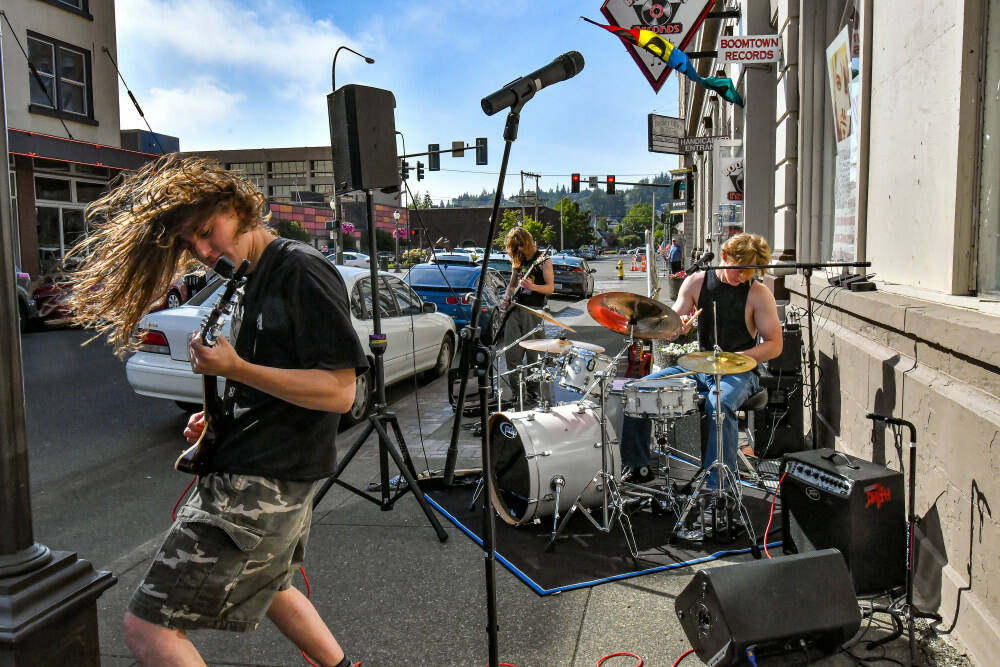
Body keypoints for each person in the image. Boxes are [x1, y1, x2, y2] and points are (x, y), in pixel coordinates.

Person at [65, 155, 368, 667]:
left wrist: (237, 368)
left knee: (147, 628)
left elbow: (340, 392)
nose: (203, 252)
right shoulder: (251, 276)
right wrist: (223, 418)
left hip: (262, 482)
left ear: (240, 208)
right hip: (265, 470)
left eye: (207, 232)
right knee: (272, 586)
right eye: (190, 244)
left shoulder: (299, 268)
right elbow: (280, 382)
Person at [620, 233, 782, 494]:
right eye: (738, 269)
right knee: (638, 389)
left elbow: (775, 345)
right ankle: (639, 468)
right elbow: (671, 323)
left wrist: (734, 360)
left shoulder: (758, 293)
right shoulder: (696, 282)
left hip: (740, 372)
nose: (742, 277)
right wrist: (677, 327)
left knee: (719, 404)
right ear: (724, 256)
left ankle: (719, 489)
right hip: (699, 367)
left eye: (749, 272)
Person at [498, 226, 554, 405]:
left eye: (520, 246)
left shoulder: (543, 260)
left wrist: (532, 287)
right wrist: (507, 297)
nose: (519, 250)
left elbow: (550, 288)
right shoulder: (519, 260)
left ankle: (532, 392)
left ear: (527, 242)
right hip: (515, 310)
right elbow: (512, 285)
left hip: (534, 312)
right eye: (516, 248)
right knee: (511, 354)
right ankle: (517, 393)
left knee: (533, 356)